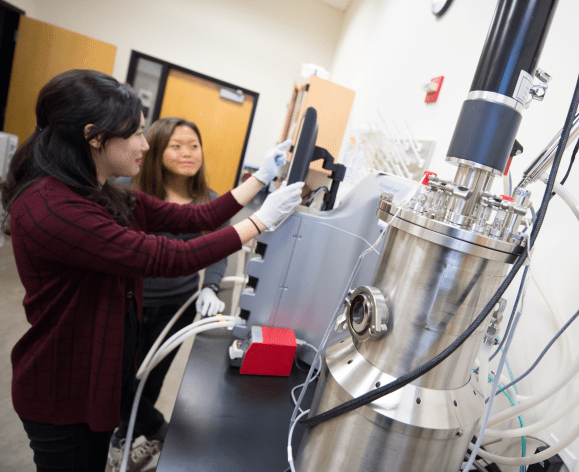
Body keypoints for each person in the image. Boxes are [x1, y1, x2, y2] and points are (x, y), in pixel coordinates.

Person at [0, 69, 303, 472]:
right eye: (135, 133)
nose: (145, 143)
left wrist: (260, 179)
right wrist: (259, 222)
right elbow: (162, 256)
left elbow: (198, 215)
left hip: (97, 372)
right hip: (63, 388)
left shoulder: (96, 190)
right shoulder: (53, 206)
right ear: (94, 136)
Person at [105, 117, 261, 472]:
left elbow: (220, 247)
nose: (188, 154)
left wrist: (209, 285)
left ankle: (127, 441)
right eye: (176, 146)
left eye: (194, 145)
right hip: (130, 302)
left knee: (153, 378)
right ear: (157, 148)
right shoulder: (129, 193)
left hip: (178, 306)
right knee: (120, 379)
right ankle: (149, 430)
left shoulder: (210, 201)